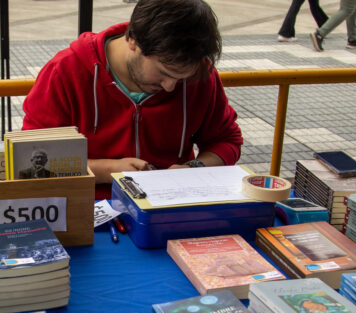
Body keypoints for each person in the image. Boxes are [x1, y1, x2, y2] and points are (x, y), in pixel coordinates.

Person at [22, 0, 243, 199]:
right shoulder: (66, 72)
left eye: (183, 77)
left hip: (170, 207)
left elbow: (226, 140)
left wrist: (193, 168)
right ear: (133, 40)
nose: (170, 86)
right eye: (164, 72)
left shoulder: (201, 74)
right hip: (89, 210)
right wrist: (110, 171)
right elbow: (31, 158)